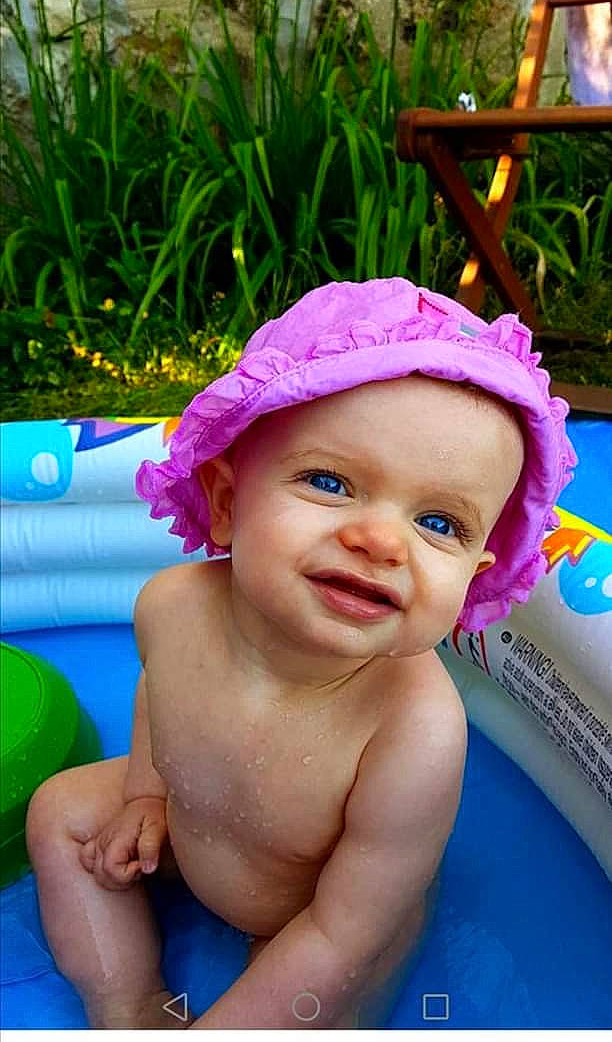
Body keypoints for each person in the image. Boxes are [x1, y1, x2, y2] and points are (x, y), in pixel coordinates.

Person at [25, 278, 576, 1029]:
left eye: (440, 524)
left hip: (317, 920)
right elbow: (160, 694)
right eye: (330, 482)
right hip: (191, 830)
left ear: (475, 577)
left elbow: (347, 929)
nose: (381, 542)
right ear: (226, 502)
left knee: (325, 985)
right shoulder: (173, 604)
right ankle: (126, 1003)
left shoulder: (414, 728)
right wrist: (147, 795)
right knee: (60, 810)